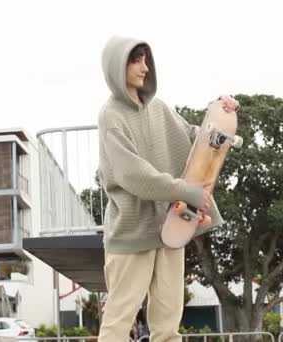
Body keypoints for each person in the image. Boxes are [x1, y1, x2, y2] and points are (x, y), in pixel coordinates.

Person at [96, 36, 223, 341]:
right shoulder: (110, 116)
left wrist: (221, 117)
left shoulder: (159, 108)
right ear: (117, 66)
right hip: (131, 232)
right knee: (118, 322)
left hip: (170, 228)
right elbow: (133, 174)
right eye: (135, 60)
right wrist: (185, 191)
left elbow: (194, 137)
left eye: (145, 59)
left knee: (167, 327)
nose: (144, 67)